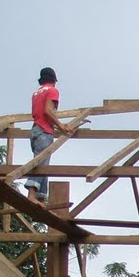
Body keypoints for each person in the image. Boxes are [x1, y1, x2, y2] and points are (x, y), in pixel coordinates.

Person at [27, 67, 80, 202]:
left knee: (44, 164)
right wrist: (61, 126)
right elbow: (48, 111)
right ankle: (32, 195)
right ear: (54, 81)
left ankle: (40, 197)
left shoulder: (36, 93)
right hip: (43, 131)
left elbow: (40, 113)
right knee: (40, 162)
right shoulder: (52, 90)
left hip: (35, 130)